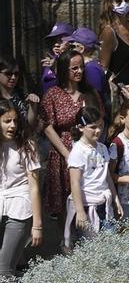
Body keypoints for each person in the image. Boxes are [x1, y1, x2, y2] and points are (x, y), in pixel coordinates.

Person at [35, 52, 95, 239]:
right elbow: (46, 125)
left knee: (87, 194)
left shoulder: (89, 93)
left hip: (87, 150)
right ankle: (66, 240)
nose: (79, 71)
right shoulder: (53, 94)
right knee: (63, 200)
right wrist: (66, 153)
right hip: (63, 151)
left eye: (81, 67)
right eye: (74, 68)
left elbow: (97, 120)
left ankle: (87, 237)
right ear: (63, 70)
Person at [62, 110, 118, 243]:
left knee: (109, 244)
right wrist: (80, 211)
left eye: (100, 126)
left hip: (103, 203)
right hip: (87, 207)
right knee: (90, 248)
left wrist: (115, 199)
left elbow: (107, 177)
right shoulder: (78, 151)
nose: (98, 130)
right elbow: (74, 182)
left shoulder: (103, 148)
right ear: (81, 127)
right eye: (93, 127)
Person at [0, 107, 42, 276]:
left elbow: (34, 187)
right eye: (7, 121)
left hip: (20, 207)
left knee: (4, 270)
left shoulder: (26, 145)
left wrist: (37, 225)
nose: (12, 126)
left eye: (15, 121)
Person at [96, 0, 129, 92]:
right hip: (119, 92)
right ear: (110, 3)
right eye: (118, 1)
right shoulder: (108, 31)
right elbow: (103, 68)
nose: (124, 4)